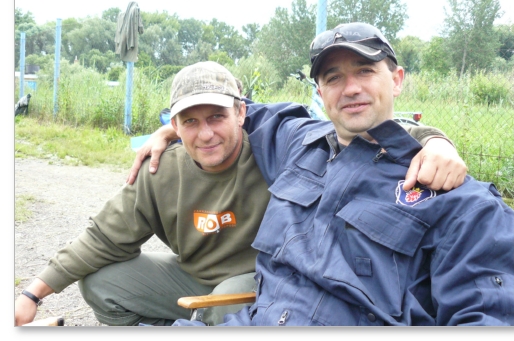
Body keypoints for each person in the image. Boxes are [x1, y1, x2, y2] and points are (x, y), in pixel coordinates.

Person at [14, 57, 465, 327]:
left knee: (221, 302)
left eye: (217, 117)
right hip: (193, 277)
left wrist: (435, 141)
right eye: (190, 121)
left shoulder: (279, 150)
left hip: (265, 280)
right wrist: (32, 296)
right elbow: (102, 237)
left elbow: (354, 132)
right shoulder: (160, 167)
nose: (205, 133)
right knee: (103, 282)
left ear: (241, 114)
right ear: (173, 125)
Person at [165, 22, 513, 326]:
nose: (350, 88)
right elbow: (230, 114)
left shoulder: (460, 200)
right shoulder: (296, 142)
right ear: (320, 93)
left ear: (396, 80)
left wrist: (433, 139)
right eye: (333, 78)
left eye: (365, 71)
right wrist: (174, 130)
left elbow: (488, 315)